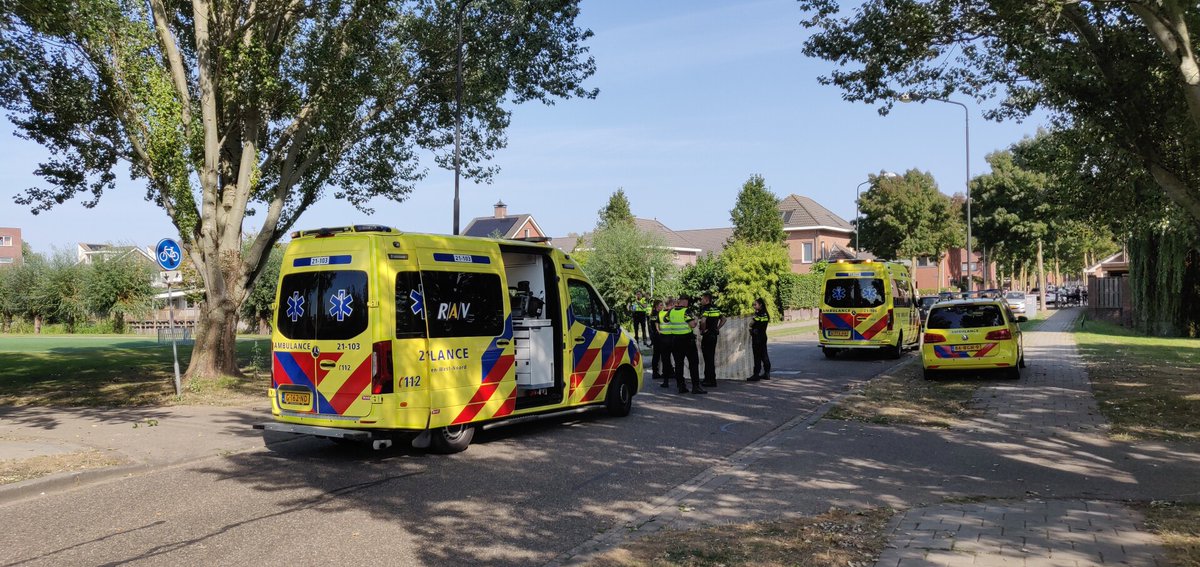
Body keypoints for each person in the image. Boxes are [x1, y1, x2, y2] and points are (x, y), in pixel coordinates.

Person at [664, 295, 705, 394]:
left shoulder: (671, 311)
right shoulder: (686, 311)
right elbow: (692, 325)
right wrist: (696, 320)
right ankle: (696, 387)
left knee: (678, 364)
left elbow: (665, 320)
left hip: (675, 340)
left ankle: (681, 386)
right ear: (685, 301)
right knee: (693, 363)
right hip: (687, 340)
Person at [697, 292, 725, 388]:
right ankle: (710, 379)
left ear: (706, 300)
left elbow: (703, 321)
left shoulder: (705, 309)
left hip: (707, 336)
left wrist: (703, 330)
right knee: (710, 357)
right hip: (714, 336)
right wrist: (717, 328)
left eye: (702, 299)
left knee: (707, 358)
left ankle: (709, 380)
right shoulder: (716, 308)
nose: (701, 301)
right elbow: (724, 319)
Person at [650, 298, 674, 387]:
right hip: (658, 336)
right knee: (658, 355)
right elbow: (656, 326)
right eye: (660, 305)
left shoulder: (654, 314)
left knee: (660, 355)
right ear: (656, 306)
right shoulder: (656, 314)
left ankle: (661, 372)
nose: (662, 306)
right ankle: (656, 372)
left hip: (656, 336)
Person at [748, 297, 771, 381]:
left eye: (755, 304)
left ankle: (756, 374)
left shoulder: (758, 315)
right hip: (763, 336)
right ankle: (767, 373)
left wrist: (752, 329)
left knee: (757, 356)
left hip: (757, 337)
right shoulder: (766, 314)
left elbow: (751, 324)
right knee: (764, 355)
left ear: (760, 305)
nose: (754, 306)